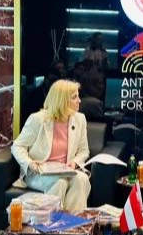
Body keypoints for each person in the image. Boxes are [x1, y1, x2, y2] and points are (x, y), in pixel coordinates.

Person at [11, 79, 91, 211]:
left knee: (81, 179)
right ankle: (51, 221)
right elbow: (17, 146)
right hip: (39, 173)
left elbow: (84, 150)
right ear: (62, 100)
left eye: (78, 96)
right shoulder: (38, 119)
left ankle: (73, 221)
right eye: (74, 97)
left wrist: (74, 163)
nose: (79, 100)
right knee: (59, 182)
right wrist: (30, 163)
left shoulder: (80, 119)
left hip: (66, 170)